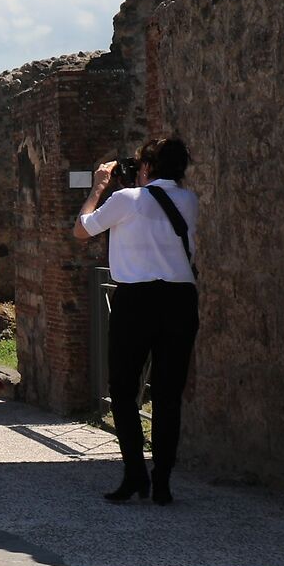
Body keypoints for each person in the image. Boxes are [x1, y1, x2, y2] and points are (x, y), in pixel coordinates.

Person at [76, 136, 200, 504]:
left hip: (137, 300)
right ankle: (162, 482)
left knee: (123, 390)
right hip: (180, 299)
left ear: (147, 166)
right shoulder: (189, 201)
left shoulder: (127, 199)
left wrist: (99, 186)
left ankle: (134, 474)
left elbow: (82, 229)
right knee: (168, 395)